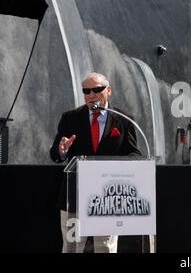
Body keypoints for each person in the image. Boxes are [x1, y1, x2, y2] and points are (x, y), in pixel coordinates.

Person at [50, 72, 141, 253]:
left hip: (107, 196)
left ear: (109, 91)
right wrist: (62, 151)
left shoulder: (123, 120)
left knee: (104, 247)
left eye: (97, 89)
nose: (91, 95)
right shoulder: (70, 118)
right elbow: (56, 154)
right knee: (71, 247)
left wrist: (113, 167)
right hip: (74, 196)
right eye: (86, 91)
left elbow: (134, 154)